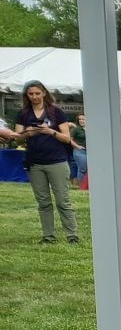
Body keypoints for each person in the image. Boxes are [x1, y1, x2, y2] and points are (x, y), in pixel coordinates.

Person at [14, 80, 79, 244]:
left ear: (44, 93)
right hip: (34, 163)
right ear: (26, 95)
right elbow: (17, 140)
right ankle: (48, 236)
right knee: (43, 202)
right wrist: (27, 133)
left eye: (37, 93)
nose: (34, 97)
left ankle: (72, 235)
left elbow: (66, 138)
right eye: (31, 94)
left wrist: (50, 131)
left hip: (57, 161)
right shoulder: (23, 114)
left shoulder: (56, 112)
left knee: (62, 201)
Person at [68, 112, 87, 184]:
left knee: (87, 169)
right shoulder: (76, 129)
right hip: (79, 151)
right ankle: (81, 185)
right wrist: (77, 146)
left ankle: (86, 185)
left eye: (83, 119)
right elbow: (70, 139)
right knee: (82, 169)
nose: (81, 121)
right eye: (80, 119)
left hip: (90, 151)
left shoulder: (90, 128)